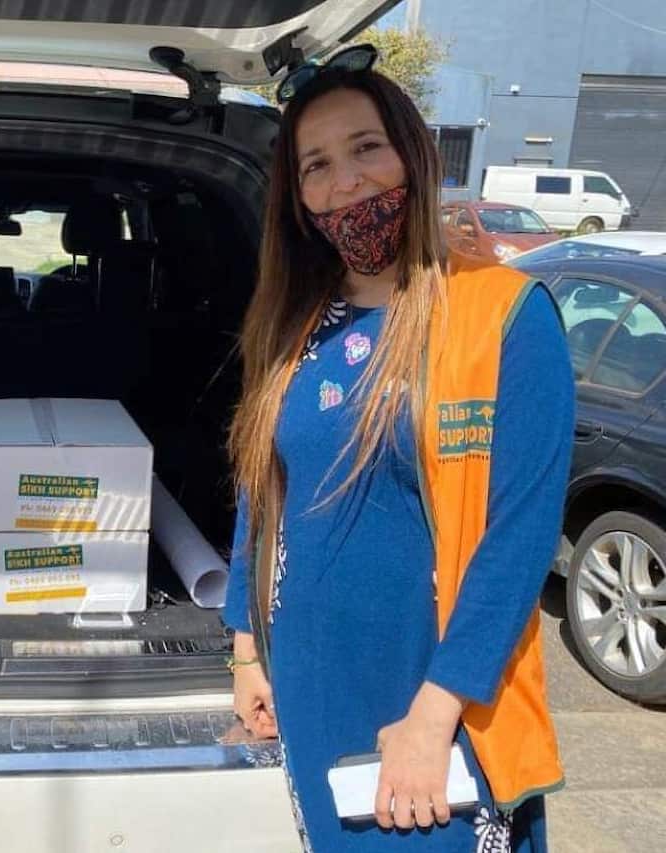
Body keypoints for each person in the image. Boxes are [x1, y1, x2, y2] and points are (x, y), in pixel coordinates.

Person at [223, 45, 572, 852]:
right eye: (317, 164)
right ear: (298, 195)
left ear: (412, 152)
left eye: (365, 148)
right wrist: (246, 648)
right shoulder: (296, 322)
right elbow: (260, 486)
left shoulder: (503, 315)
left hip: (432, 708)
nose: (345, 181)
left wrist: (432, 713)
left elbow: (517, 541)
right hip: (311, 693)